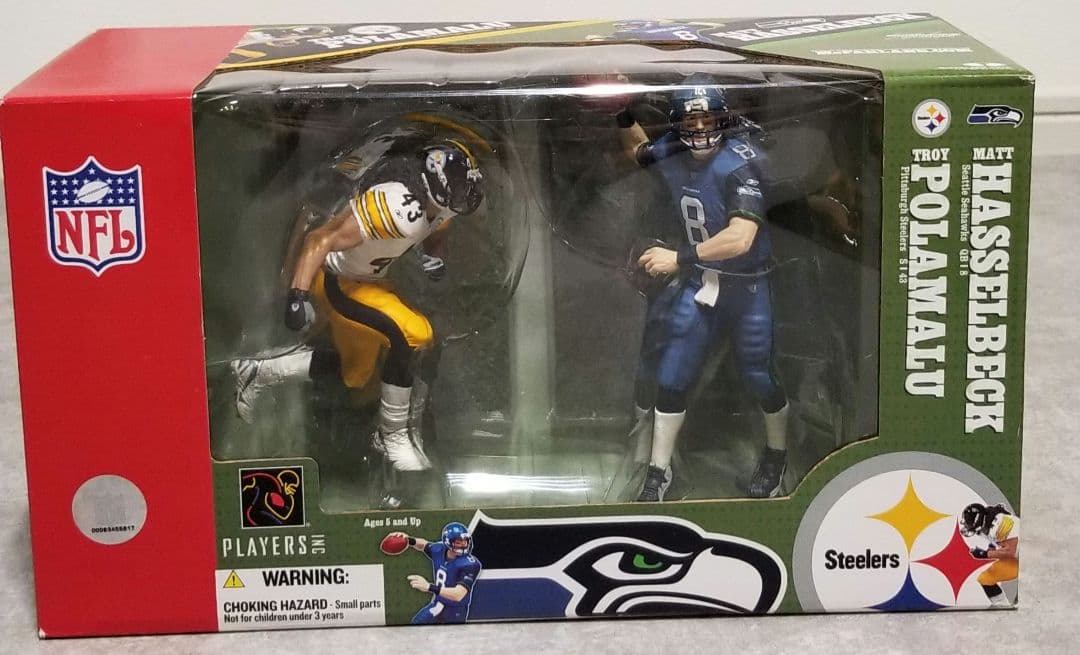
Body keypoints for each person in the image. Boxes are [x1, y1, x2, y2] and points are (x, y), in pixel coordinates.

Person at [231, 137, 484, 475]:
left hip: (372, 282)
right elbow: (320, 238)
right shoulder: (392, 208)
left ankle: (260, 370)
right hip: (341, 282)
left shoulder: (439, 205)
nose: (464, 197)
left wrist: (433, 256)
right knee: (412, 334)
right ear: (433, 187)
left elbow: (437, 225)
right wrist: (298, 294)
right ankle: (391, 436)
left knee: (356, 376)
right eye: (458, 190)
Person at [616, 73, 789, 501]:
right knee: (673, 374)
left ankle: (777, 455)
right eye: (689, 122)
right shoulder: (672, 149)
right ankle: (658, 472)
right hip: (701, 285)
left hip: (747, 287)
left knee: (759, 375)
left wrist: (678, 258)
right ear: (677, 123)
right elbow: (637, 152)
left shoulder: (739, 163)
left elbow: (741, 238)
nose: (698, 129)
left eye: (706, 120)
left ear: (722, 119)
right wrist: (620, 110)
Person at [390, 522, 481, 624]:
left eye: (465, 541)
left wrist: (429, 587)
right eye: (458, 542)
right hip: (438, 604)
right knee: (417, 623)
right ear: (448, 542)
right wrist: (408, 540)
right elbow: (423, 544)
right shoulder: (439, 550)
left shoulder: (470, 564)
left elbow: (458, 595)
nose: (463, 545)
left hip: (455, 611)